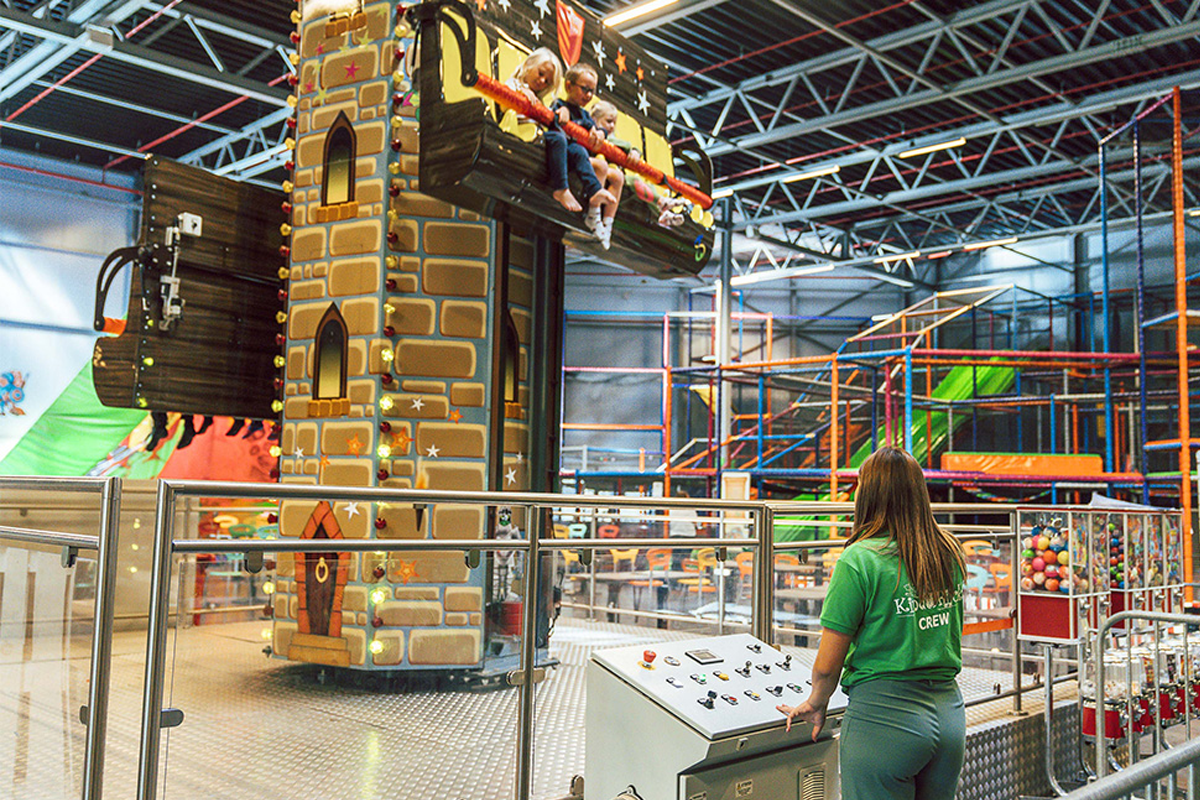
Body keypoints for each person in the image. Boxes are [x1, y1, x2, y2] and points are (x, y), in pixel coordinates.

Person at [777, 446, 967, 800]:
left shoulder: (859, 559)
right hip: (950, 716)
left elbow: (828, 663)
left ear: (869, 493)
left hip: (885, 720)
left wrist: (817, 701)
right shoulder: (948, 550)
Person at [546, 64, 615, 222]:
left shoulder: (584, 115)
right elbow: (551, 116)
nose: (589, 95)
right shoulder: (559, 104)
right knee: (564, 142)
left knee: (579, 151)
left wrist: (601, 132)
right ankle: (561, 188)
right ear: (569, 86)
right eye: (585, 89)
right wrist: (560, 113)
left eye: (592, 91)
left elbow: (596, 128)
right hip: (557, 149)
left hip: (573, 154)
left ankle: (595, 190)